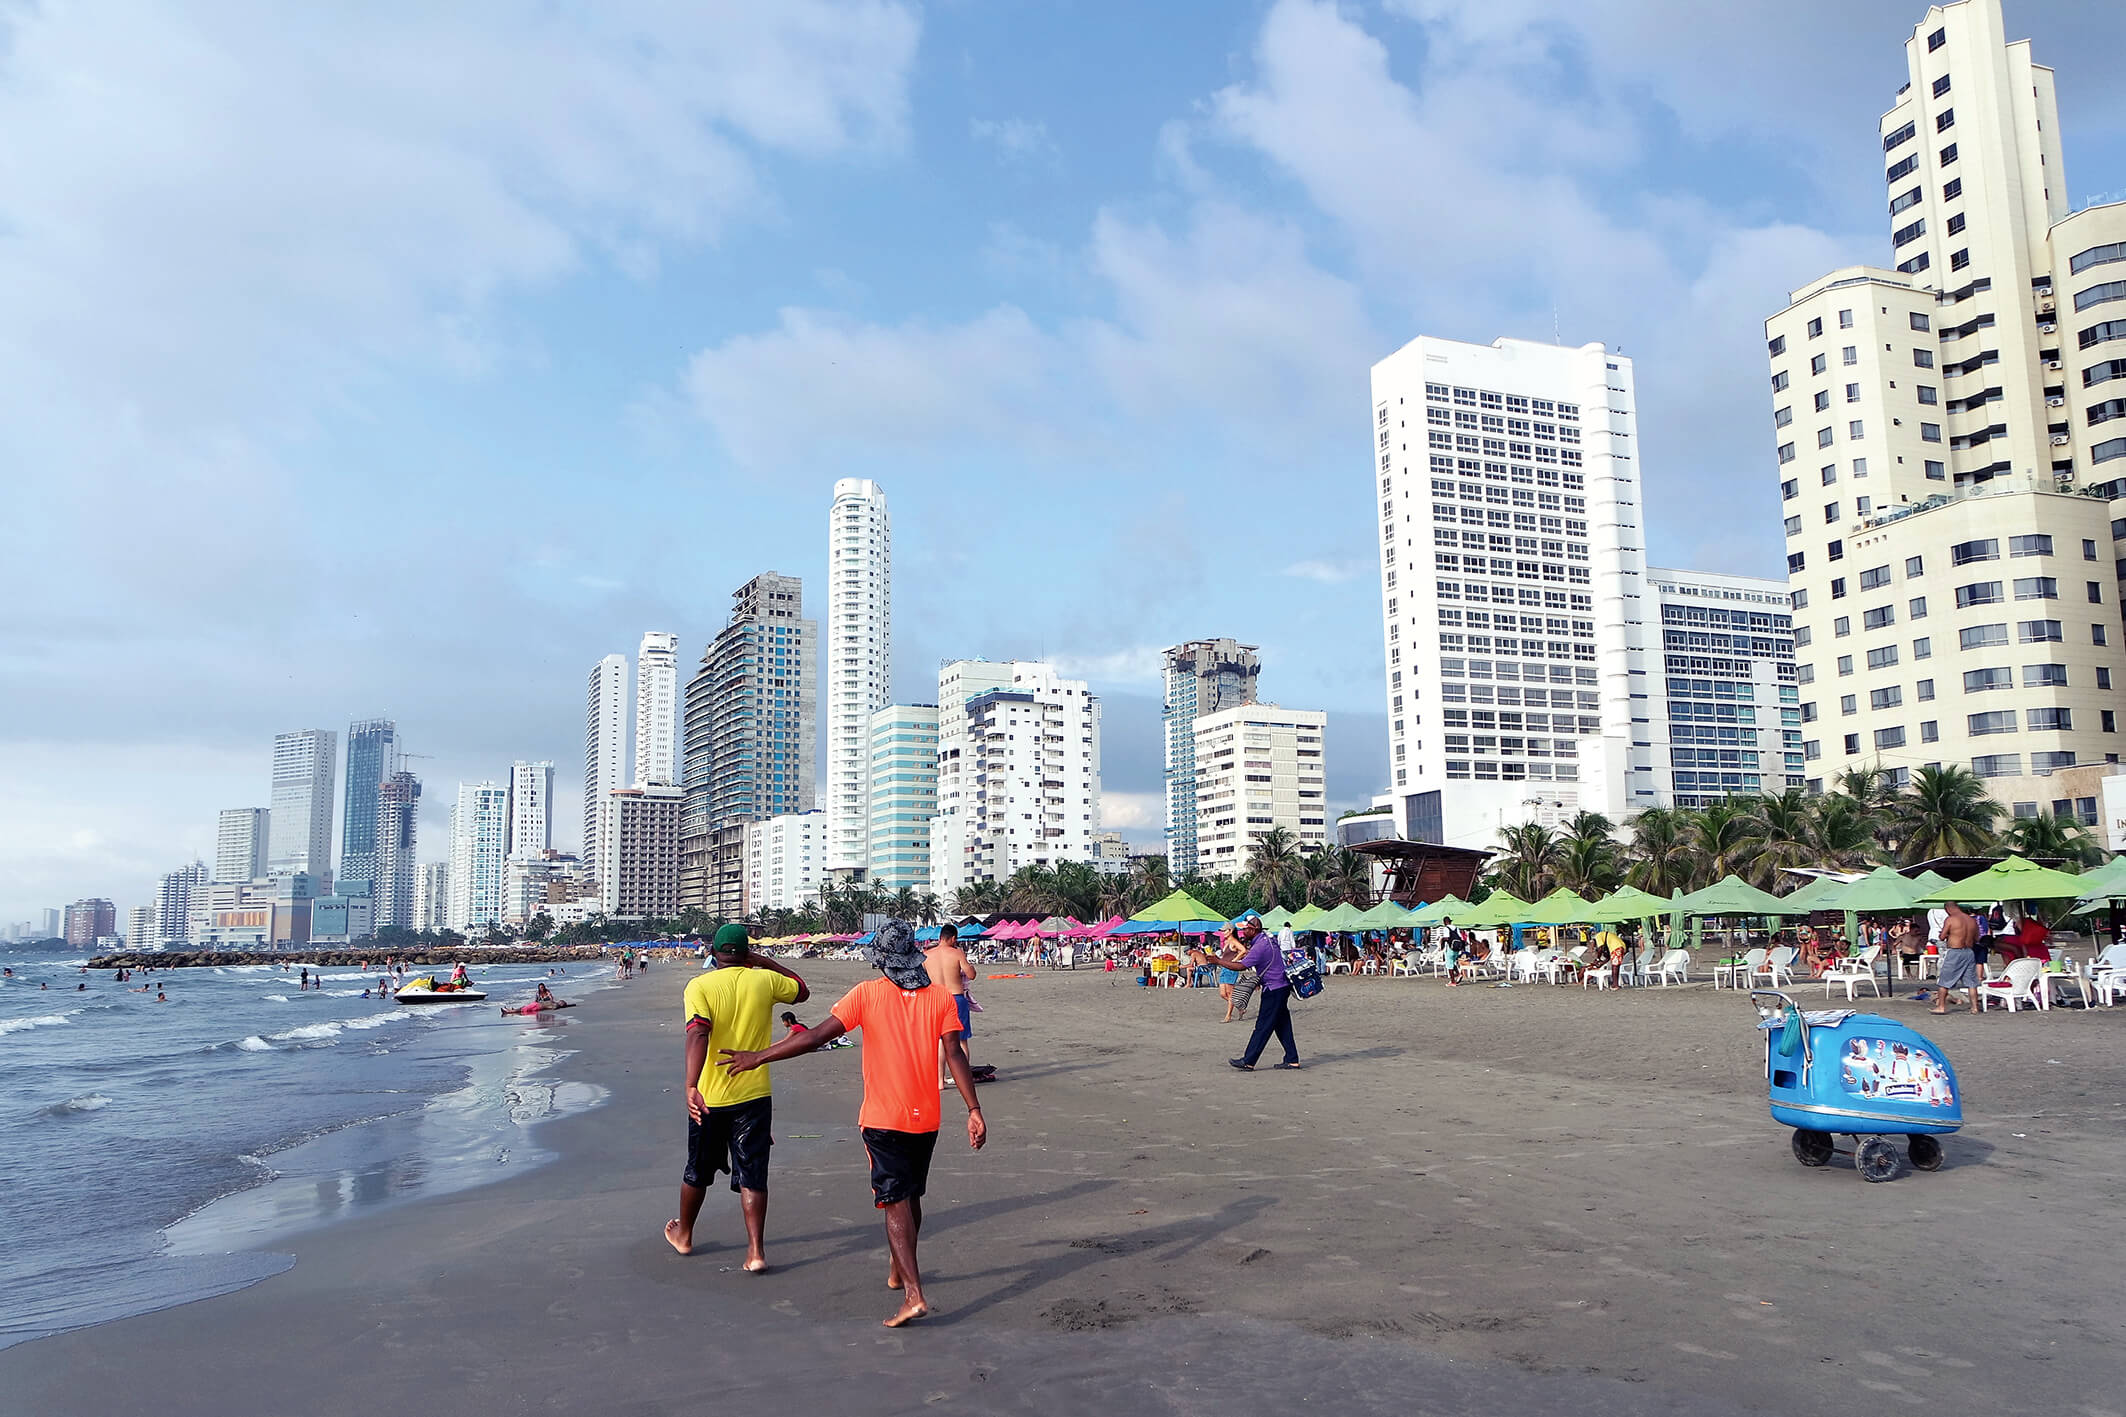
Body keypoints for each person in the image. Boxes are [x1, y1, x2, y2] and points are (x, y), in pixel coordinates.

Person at [721, 919, 986, 1328]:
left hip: (883, 1118)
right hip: (926, 1118)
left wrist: (758, 1057)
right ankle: (899, 1269)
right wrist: (973, 1109)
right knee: (910, 1195)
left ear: (881, 960)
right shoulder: (940, 998)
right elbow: (955, 1054)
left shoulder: (867, 993)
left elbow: (815, 1037)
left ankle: (914, 1295)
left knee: (894, 1200)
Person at [665, 924, 809, 1273]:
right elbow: (802, 991)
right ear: (746, 954)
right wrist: (763, 962)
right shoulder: (765, 980)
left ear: (713, 954)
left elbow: (699, 1033)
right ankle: (755, 1252)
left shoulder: (699, 986)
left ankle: (685, 1234)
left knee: (697, 1168)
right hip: (754, 1094)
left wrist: (690, 1085)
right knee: (752, 1171)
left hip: (710, 1096)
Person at [1211, 916, 1298, 1071]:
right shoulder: (1268, 940)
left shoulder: (1260, 946)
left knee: (1263, 1026)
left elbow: (1241, 966)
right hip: (1281, 985)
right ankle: (1292, 1059)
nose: (1242, 932)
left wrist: (1218, 961)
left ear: (1253, 930)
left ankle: (1248, 1061)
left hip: (1273, 988)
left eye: (1245, 929)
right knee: (1282, 1024)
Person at [923, 924, 992, 1088]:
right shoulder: (957, 953)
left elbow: (922, 979)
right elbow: (971, 975)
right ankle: (963, 1078)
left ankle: (940, 1080)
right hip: (955, 999)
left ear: (940, 937)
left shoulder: (926, 955)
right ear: (953, 938)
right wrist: (969, 967)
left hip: (936, 999)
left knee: (941, 1041)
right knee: (961, 1041)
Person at [1932, 901, 1982, 1015]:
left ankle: (1941, 1007)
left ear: (1947, 909)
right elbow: (1976, 938)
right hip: (1969, 952)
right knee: (1971, 982)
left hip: (1955, 951)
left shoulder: (1951, 919)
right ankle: (1974, 1008)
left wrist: (1950, 935)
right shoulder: (1971, 920)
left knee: (1944, 981)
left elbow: (1942, 936)